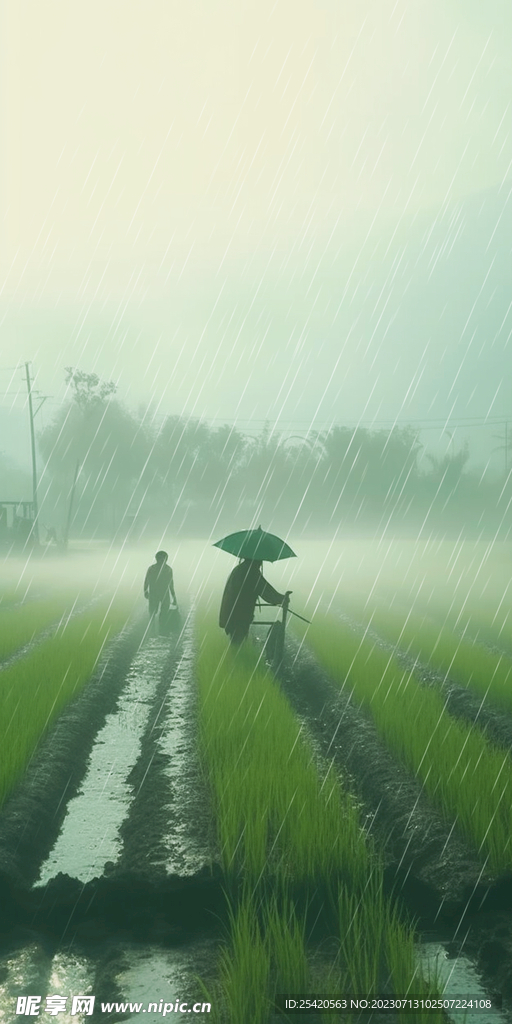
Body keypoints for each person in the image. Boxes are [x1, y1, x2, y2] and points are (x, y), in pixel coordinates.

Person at [219, 558, 291, 645]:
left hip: (231, 614)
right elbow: (266, 591)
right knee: (238, 643)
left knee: (235, 642)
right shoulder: (251, 572)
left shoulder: (239, 569)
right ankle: (239, 656)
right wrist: (282, 599)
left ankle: (236, 656)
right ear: (257, 560)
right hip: (240, 616)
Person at [144, 551, 178, 633]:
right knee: (161, 613)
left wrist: (145, 591)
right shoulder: (168, 569)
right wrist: (174, 597)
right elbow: (171, 584)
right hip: (162, 594)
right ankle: (160, 630)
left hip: (156, 593)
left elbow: (146, 581)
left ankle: (155, 630)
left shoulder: (152, 568)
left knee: (155, 613)